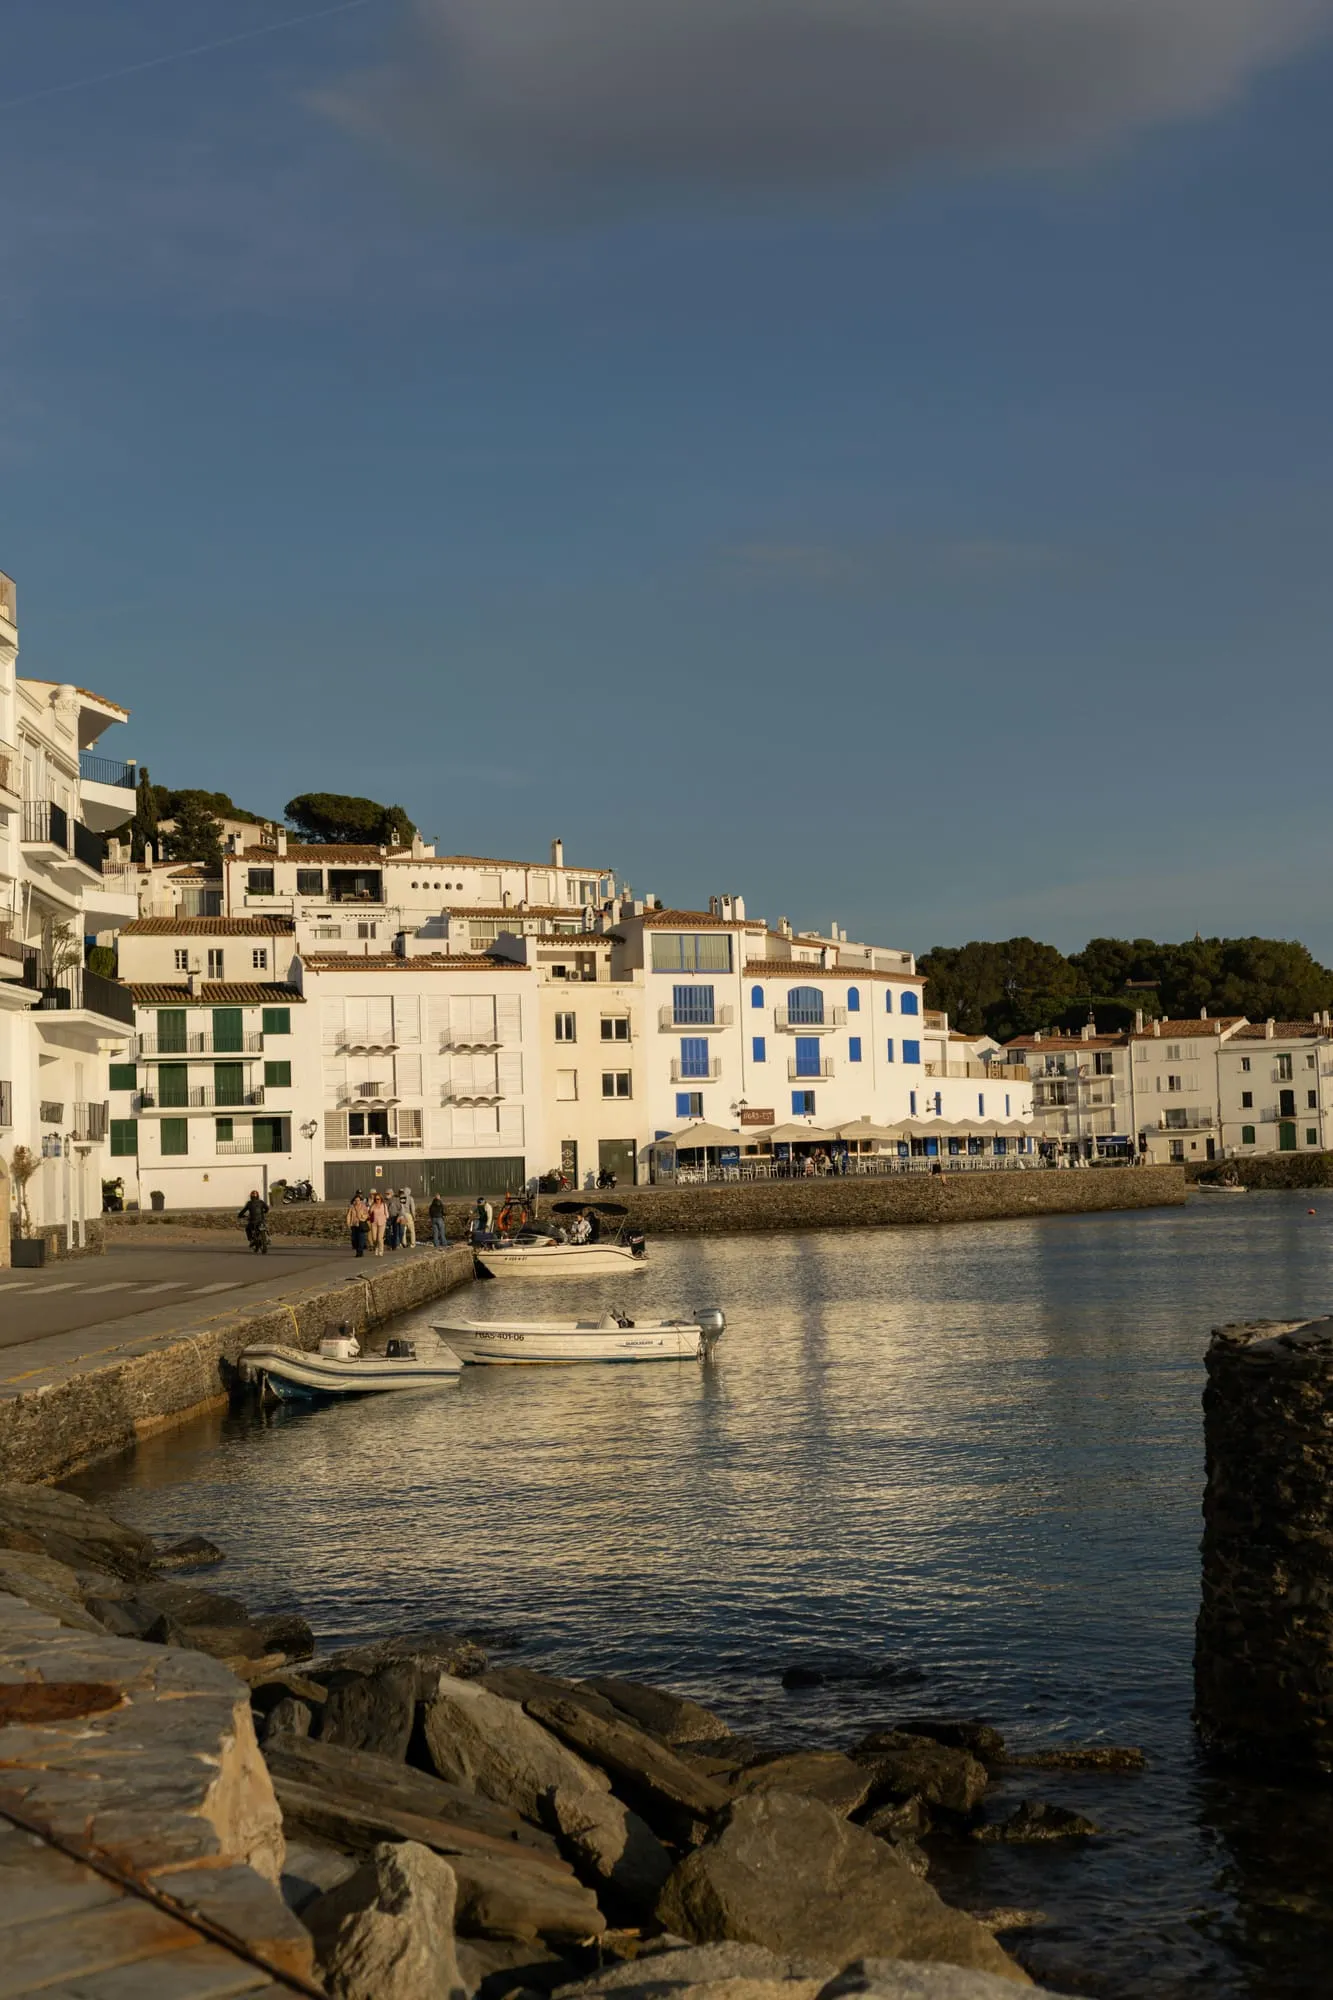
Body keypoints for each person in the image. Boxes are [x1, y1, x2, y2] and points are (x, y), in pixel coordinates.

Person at [345, 1191, 369, 1257]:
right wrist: (348, 1223)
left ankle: (360, 1251)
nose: (357, 1202)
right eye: (355, 1200)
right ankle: (357, 1250)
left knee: (361, 1238)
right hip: (354, 1224)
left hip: (361, 1224)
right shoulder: (352, 1207)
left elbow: (366, 1214)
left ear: (360, 1200)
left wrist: (362, 1218)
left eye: (358, 1200)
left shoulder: (363, 1206)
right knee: (355, 1239)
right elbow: (349, 1215)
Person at [367, 1189, 389, 1256]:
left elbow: (387, 1214)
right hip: (374, 1223)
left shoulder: (384, 1205)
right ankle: (376, 1247)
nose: (377, 1200)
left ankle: (381, 1250)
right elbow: (370, 1212)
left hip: (382, 1222)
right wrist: (372, 1207)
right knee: (374, 1238)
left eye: (378, 1199)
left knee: (380, 1238)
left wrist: (385, 1218)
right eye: (376, 1199)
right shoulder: (373, 1205)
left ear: (381, 1199)